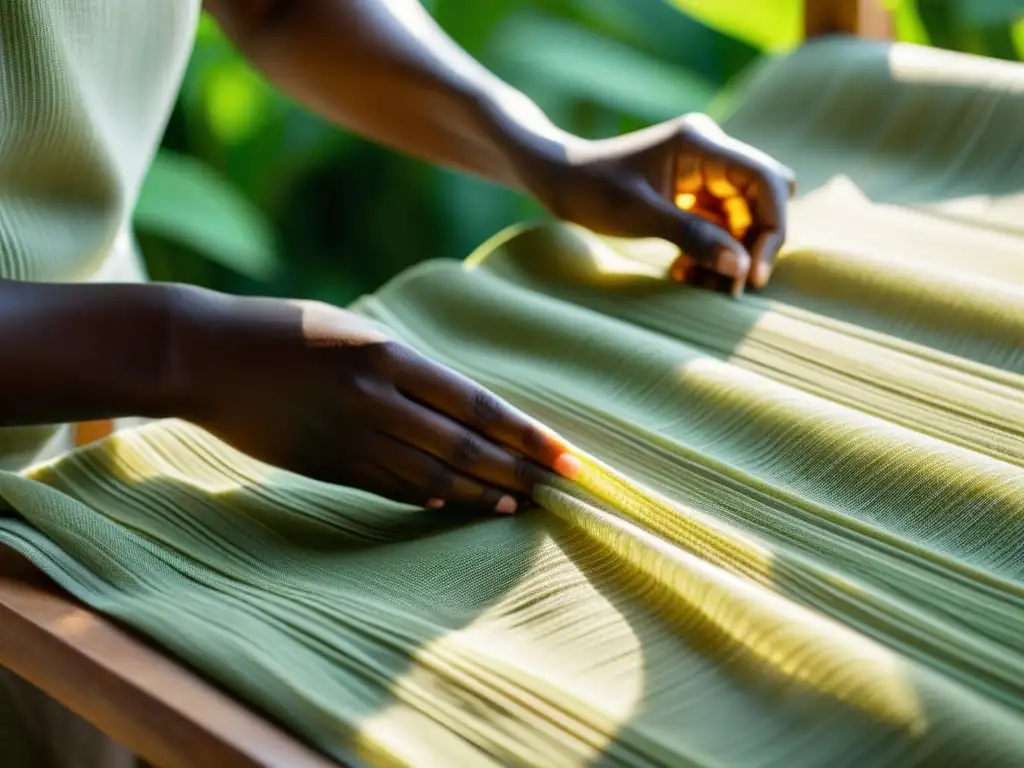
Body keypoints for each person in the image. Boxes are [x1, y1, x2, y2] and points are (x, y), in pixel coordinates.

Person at [0, 1, 794, 764]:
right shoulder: (167, 356)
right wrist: (177, 351)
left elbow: (276, 7)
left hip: (89, 441)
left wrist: (538, 148)